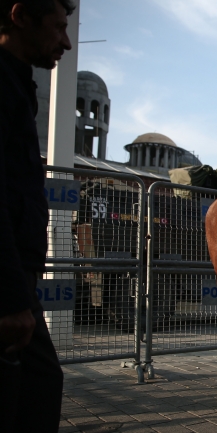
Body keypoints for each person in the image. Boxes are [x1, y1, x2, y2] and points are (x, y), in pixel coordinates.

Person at [0, 0, 74, 431]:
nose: (66, 39)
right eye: (58, 27)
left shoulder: (18, 84)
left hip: (16, 280)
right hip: (9, 285)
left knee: (40, 383)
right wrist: (11, 296)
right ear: (20, 16)